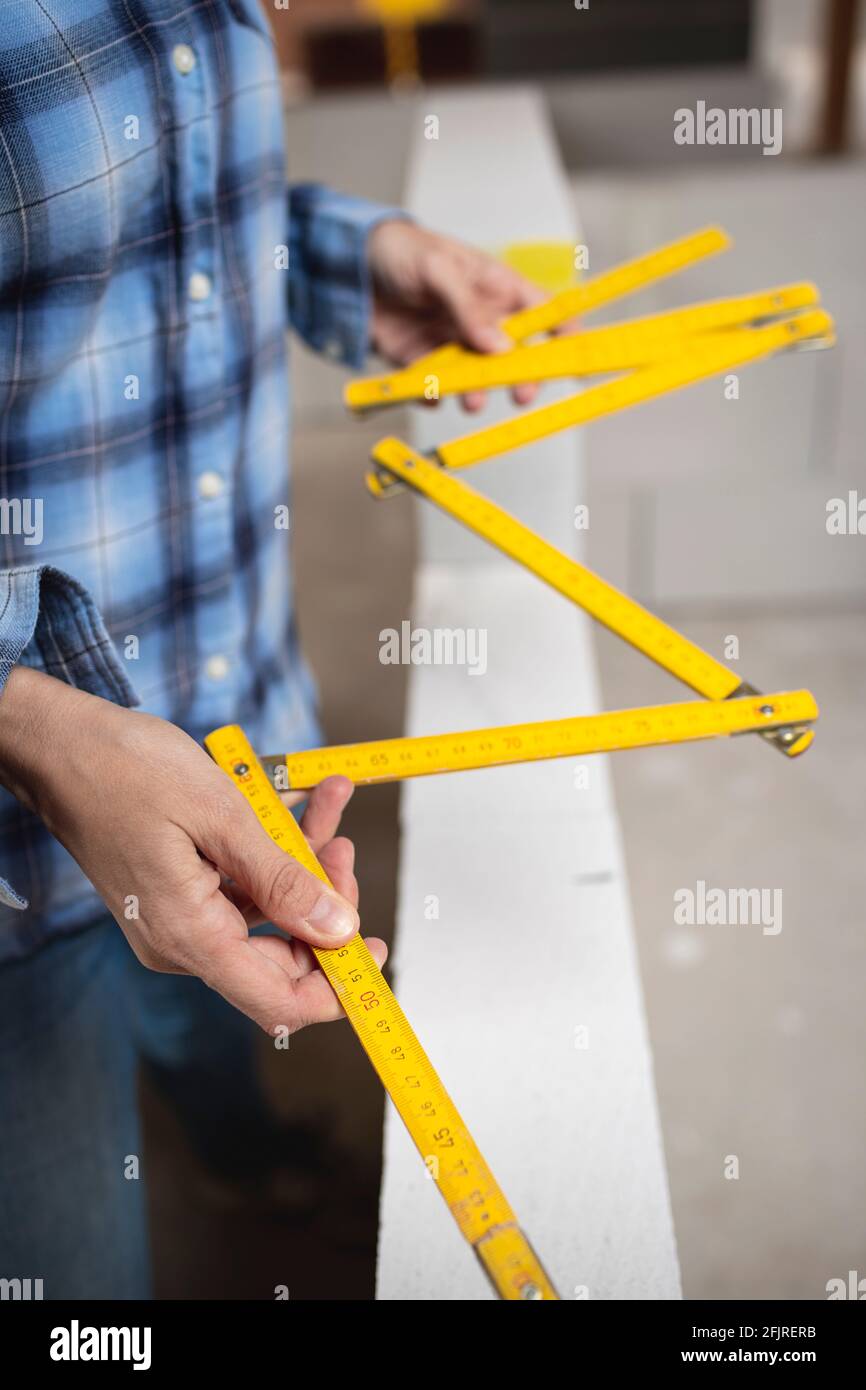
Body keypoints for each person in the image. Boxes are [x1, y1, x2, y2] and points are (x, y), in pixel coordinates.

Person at [0, 1, 543, 1298]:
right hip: (19, 851)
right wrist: (32, 726)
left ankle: (236, 1149)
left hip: (230, 696)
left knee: (211, 1020)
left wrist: (356, 256)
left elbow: (136, 220)